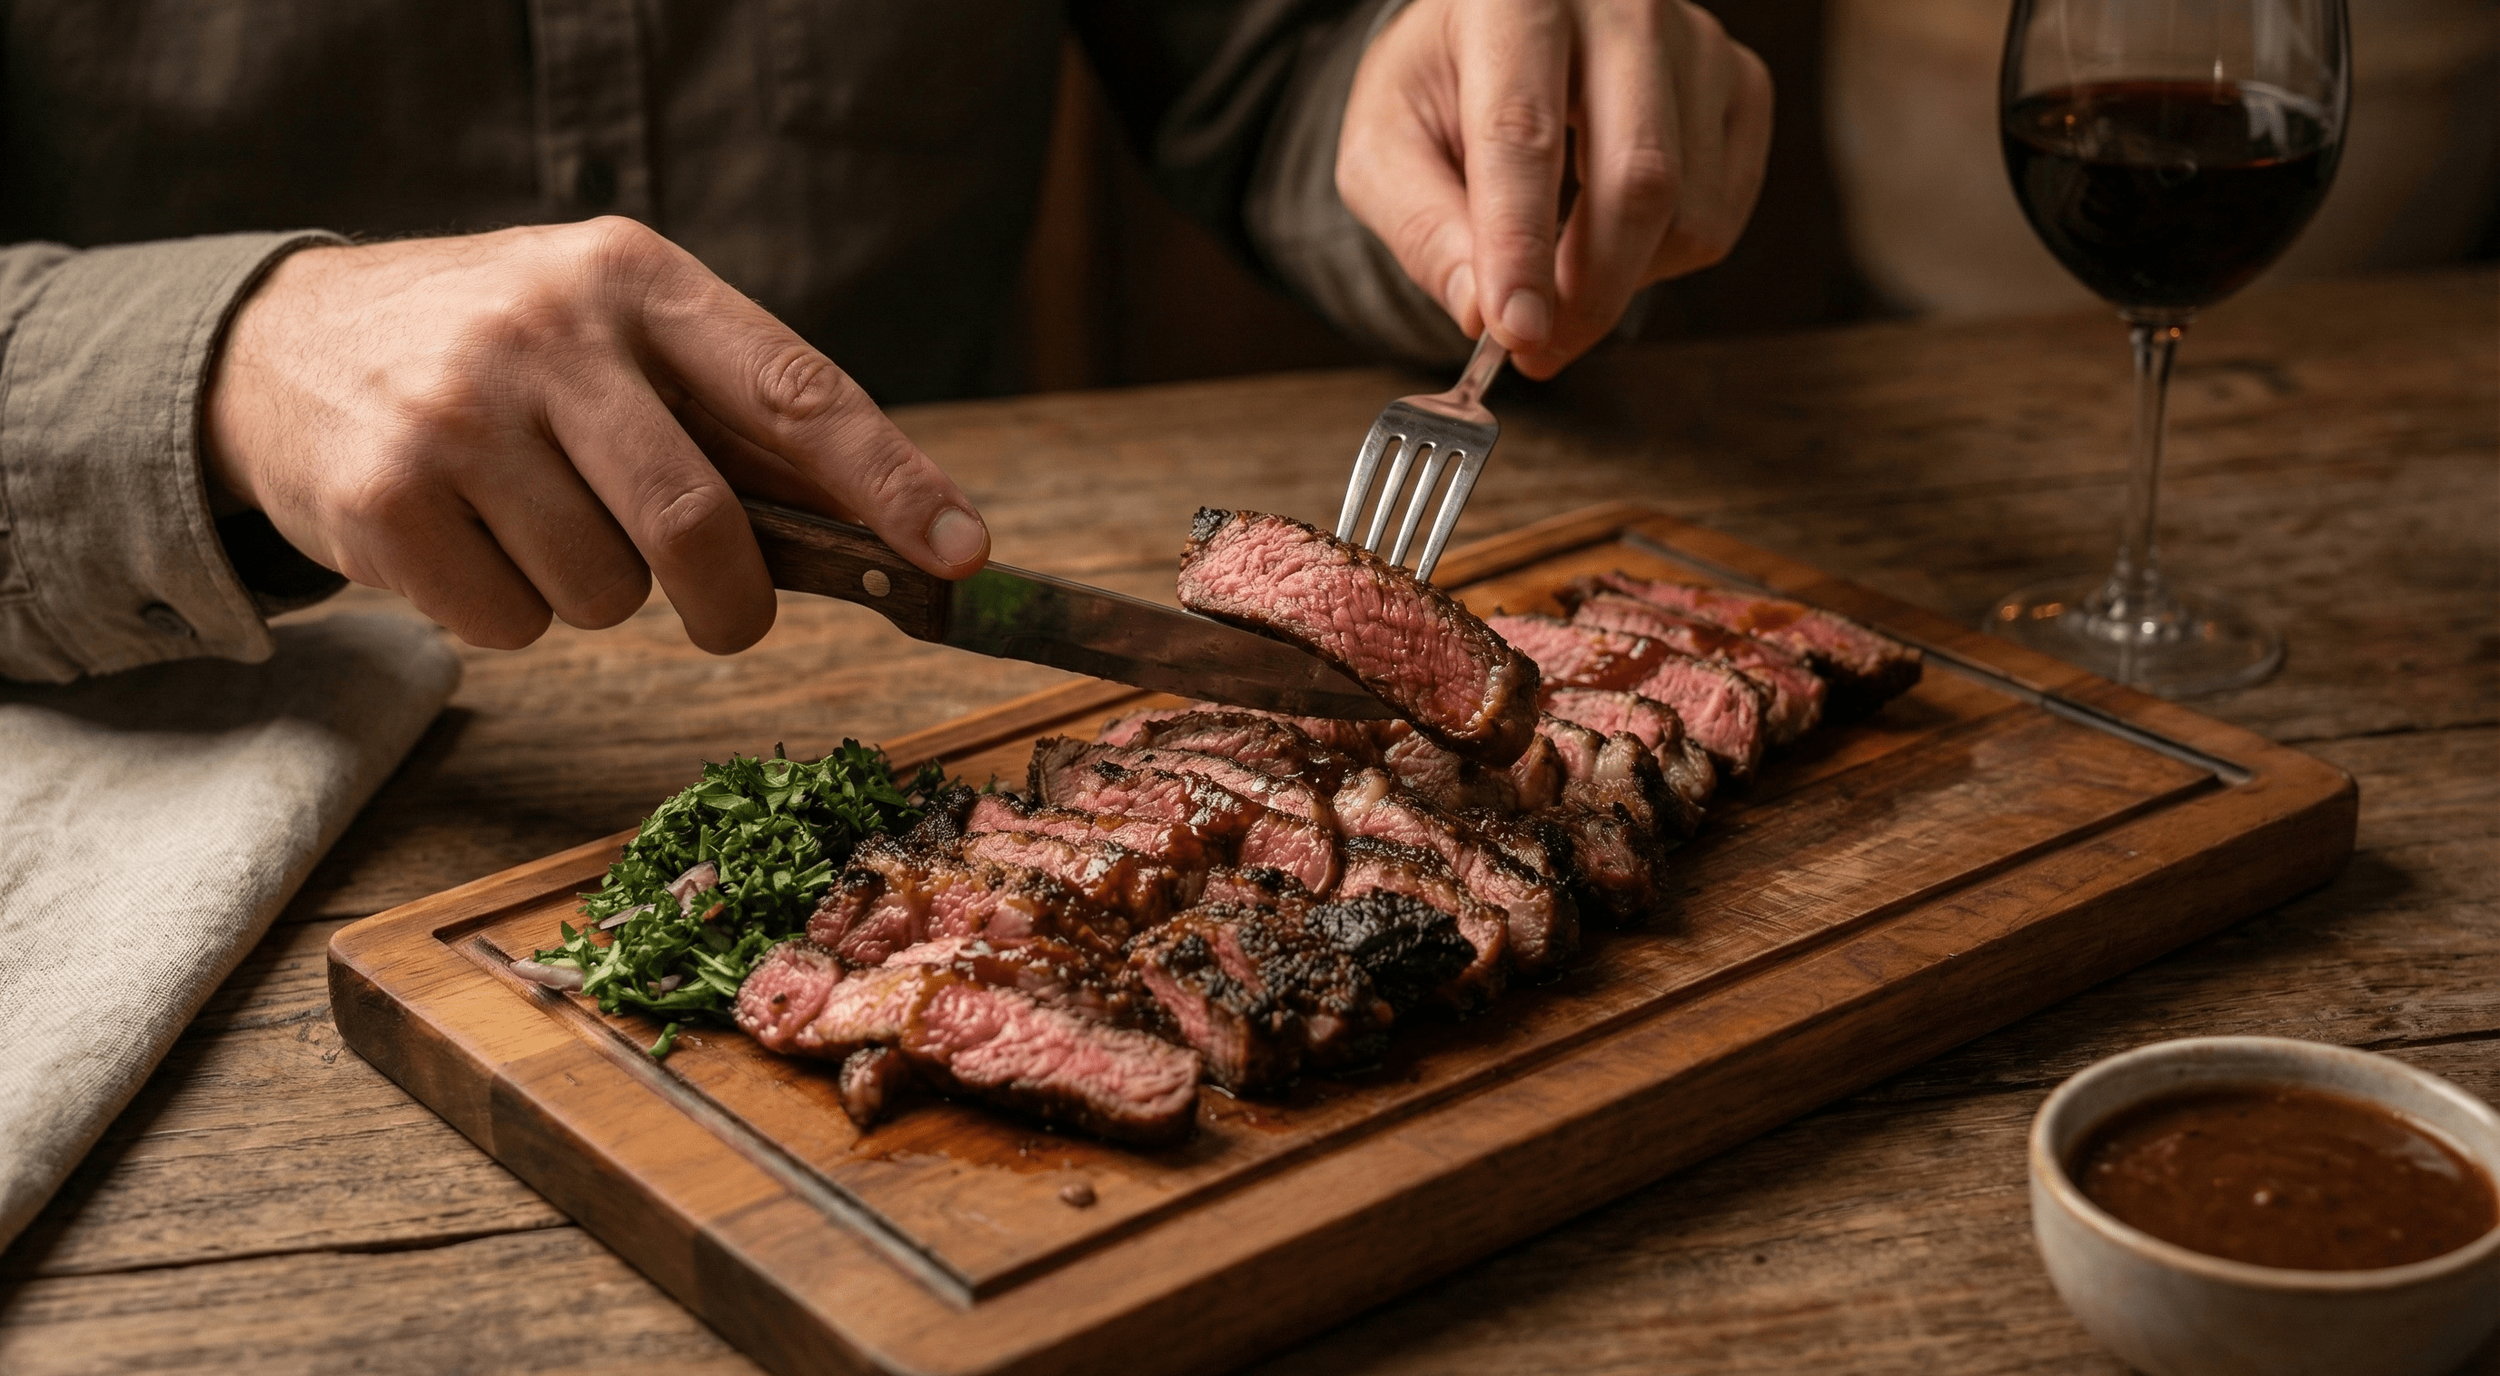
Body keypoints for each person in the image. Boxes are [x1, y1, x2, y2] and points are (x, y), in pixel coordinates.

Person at [0, 0, 1769, 684]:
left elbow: (1275, 61)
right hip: (180, 723)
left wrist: (1456, 93)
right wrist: (230, 356)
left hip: (886, 648)